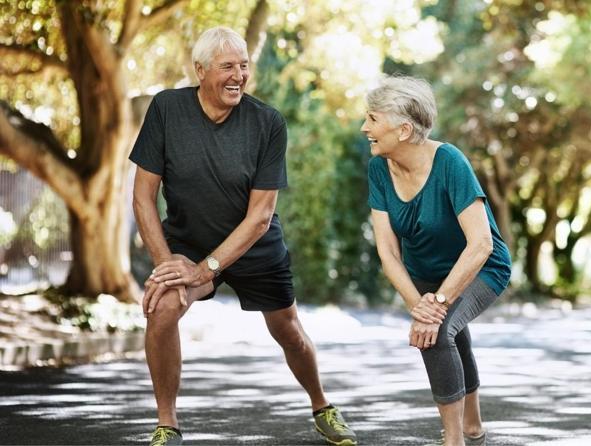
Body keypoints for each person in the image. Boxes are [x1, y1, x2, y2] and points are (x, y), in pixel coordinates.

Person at [130, 26, 357, 446]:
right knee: (161, 308)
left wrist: (206, 270)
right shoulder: (166, 109)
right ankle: (167, 423)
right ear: (200, 71)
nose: (238, 75)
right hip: (188, 242)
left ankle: (322, 406)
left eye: (244, 65)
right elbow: (143, 196)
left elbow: (260, 217)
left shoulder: (267, 122)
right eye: (227, 66)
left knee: (288, 330)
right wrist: (166, 266)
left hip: (254, 245)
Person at [362, 76, 512, 446]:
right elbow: (389, 253)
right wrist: (420, 306)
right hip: (426, 275)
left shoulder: (450, 163)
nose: (365, 128)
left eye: (373, 119)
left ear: (404, 128)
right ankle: (473, 425)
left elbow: (480, 245)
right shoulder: (379, 169)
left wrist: (438, 306)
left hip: (481, 267)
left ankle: (453, 439)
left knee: (439, 333)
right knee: (446, 331)